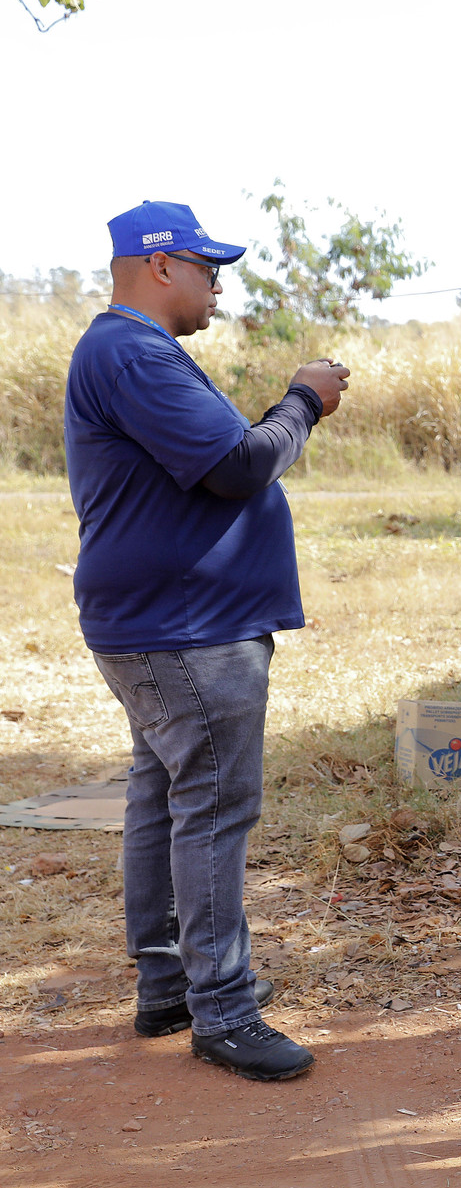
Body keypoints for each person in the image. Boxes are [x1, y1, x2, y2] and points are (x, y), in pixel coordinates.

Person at [66, 201, 345, 1082]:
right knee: (215, 805)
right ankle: (223, 1008)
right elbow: (237, 466)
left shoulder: (129, 353)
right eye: (205, 265)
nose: (217, 281)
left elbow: (217, 459)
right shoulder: (133, 352)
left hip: (161, 618)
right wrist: (304, 400)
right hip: (185, 626)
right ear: (158, 267)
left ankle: (166, 986)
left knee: (165, 793)